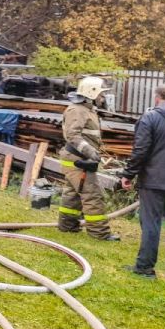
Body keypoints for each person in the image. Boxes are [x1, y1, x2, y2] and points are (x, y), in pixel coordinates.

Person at [119, 84, 165, 278]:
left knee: (151, 223)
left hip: (154, 180)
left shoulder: (151, 117)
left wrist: (128, 174)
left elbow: (141, 150)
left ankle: (145, 268)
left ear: (157, 97)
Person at [57, 76, 119, 241]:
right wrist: (91, 152)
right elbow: (72, 136)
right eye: (100, 94)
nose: (102, 97)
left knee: (72, 194)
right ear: (91, 93)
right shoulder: (77, 110)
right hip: (79, 159)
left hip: (78, 158)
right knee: (92, 195)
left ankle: (67, 226)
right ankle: (100, 233)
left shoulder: (88, 109)